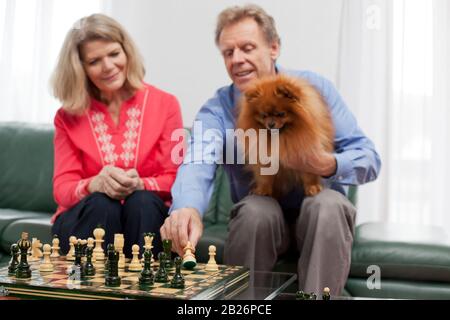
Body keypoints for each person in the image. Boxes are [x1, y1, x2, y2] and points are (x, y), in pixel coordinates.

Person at [160, 4, 381, 295]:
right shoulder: (218, 110)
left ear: (273, 47)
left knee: (327, 206)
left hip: (318, 216)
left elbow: (368, 158)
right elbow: (198, 160)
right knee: (255, 211)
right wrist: (186, 208)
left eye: (247, 48)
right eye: (228, 52)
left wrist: (326, 163)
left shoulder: (314, 89)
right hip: (263, 217)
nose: (237, 59)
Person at [50, 14, 183, 258]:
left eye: (114, 54)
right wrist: (94, 184)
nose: (108, 66)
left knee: (141, 201)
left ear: (126, 52)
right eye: (94, 61)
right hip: (89, 217)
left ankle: (143, 292)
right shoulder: (66, 116)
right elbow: (62, 188)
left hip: (146, 216)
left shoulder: (167, 104)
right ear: (81, 68)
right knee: (102, 202)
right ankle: (92, 292)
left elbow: (175, 178)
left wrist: (141, 183)